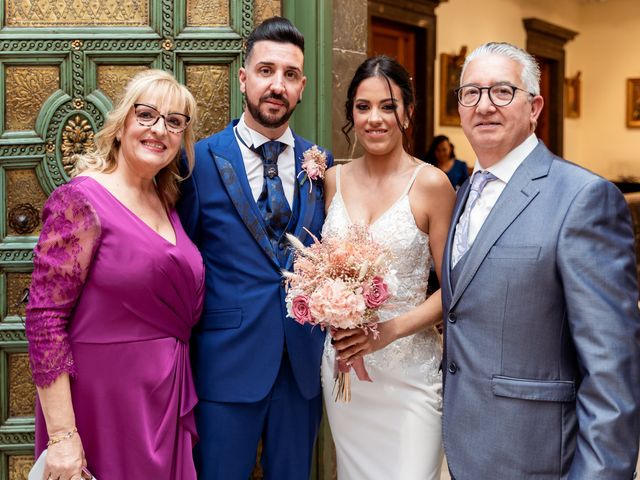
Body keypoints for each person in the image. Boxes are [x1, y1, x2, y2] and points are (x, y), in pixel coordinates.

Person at [441, 42, 640, 479]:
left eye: (502, 91)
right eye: (471, 93)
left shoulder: (584, 199)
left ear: (535, 107)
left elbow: (611, 371)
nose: (484, 105)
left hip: (538, 458)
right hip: (467, 450)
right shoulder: (464, 193)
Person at [25, 69, 203, 479]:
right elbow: (44, 321)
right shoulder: (81, 200)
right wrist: (63, 436)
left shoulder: (165, 201)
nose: (159, 129)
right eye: (146, 115)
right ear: (121, 124)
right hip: (102, 404)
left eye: (174, 122)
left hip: (163, 400)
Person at [177, 16, 334, 479]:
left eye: (289, 75)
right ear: (243, 78)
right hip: (226, 364)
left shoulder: (319, 163)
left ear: (302, 86)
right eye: (266, 71)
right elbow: (182, 260)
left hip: (301, 368)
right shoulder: (198, 160)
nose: (277, 85)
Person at [321, 55, 455, 479]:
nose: (375, 118)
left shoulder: (432, 185)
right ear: (351, 114)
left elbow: (455, 289)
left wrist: (385, 333)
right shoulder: (331, 181)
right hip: (344, 374)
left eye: (388, 106)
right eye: (363, 107)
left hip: (409, 373)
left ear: (408, 113)